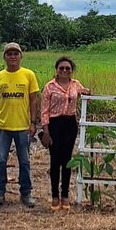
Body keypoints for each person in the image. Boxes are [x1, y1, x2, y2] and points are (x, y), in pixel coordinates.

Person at [0, 42, 40, 207]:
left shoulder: (28, 75)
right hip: (2, 127)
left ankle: (26, 193)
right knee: (0, 161)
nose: (13, 57)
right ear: (4, 57)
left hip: (23, 127)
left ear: (21, 56)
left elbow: (33, 100)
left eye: (16, 54)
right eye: (9, 54)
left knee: (24, 161)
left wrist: (33, 123)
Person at [40, 56, 92, 211]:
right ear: (56, 70)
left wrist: (87, 93)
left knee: (67, 160)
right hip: (54, 124)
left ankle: (65, 195)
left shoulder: (75, 84)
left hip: (70, 124)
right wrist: (46, 131)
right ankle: (55, 195)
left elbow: (85, 95)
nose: (64, 70)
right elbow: (44, 111)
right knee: (55, 160)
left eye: (67, 68)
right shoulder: (49, 87)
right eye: (61, 68)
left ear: (71, 70)